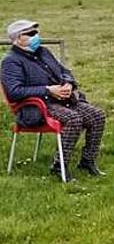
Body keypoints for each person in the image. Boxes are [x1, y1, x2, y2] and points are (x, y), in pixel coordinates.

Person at [1, 20, 106, 180]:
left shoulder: (43, 52)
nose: (36, 36)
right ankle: (59, 166)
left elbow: (64, 71)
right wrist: (48, 90)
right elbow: (14, 92)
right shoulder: (11, 61)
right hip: (38, 106)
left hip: (63, 100)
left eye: (36, 32)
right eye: (30, 34)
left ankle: (87, 161)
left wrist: (68, 83)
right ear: (18, 38)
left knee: (97, 115)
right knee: (73, 119)